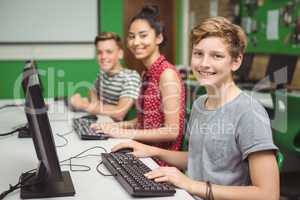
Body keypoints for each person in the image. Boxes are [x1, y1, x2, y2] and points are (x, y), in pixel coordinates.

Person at [111, 17, 280, 200]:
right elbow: (197, 158)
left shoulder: (249, 112)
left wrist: (191, 184)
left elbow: (268, 194)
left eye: (217, 56)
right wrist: (153, 151)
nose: (204, 64)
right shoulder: (200, 104)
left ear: (236, 61)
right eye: (198, 54)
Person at [91, 5, 185, 166]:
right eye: (131, 36)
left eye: (143, 35)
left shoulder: (167, 74)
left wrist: (122, 133)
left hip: (160, 163)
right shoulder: (147, 73)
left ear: (159, 38)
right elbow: (144, 121)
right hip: (142, 152)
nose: (136, 42)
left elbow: (171, 131)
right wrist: (113, 126)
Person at [70, 32, 141, 121]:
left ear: (120, 54)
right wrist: (96, 105)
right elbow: (91, 92)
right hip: (101, 122)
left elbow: (120, 113)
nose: (103, 57)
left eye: (109, 52)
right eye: (99, 52)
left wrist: (84, 105)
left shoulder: (131, 77)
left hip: (118, 131)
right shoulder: (102, 74)